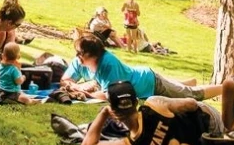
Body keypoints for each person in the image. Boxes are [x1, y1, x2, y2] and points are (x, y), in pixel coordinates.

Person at [80, 79, 225, 145]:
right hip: (210, 126)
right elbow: (192, 104)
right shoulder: (155, 105)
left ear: (112, 110)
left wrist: (104, 113)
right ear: (136, 102)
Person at [74, 33, 219, 102]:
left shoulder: (107, 64)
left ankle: (226, 87)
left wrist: (86, 94)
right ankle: (187, 82)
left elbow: (109, 95)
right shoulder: (98, 62)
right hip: (146, 78)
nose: (77, 56)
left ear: (91, 53)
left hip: (151, 83)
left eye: (79, 53)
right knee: (180, 88)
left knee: (193, 95)